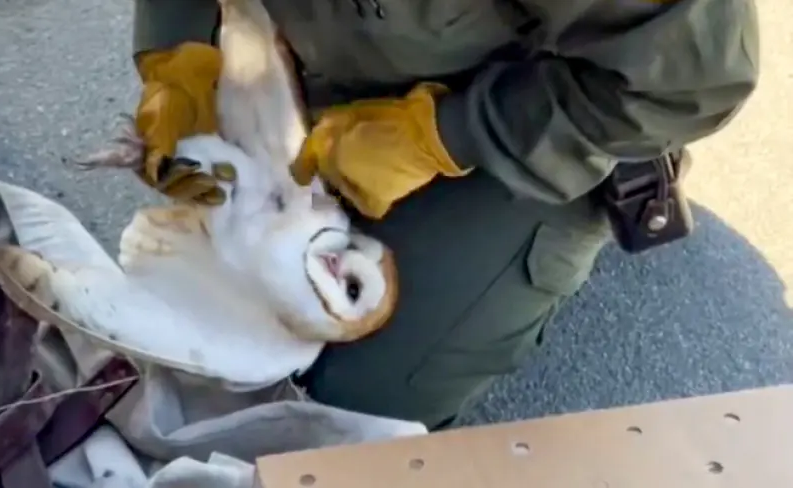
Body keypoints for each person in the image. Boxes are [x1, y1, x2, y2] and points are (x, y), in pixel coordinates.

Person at [130, 0, 759, 430]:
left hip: (536, 96)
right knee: (213, 314)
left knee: (359, 403)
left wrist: (440, 137)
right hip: (323, 43)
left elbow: (690, 84)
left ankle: (581, 185)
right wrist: (177, 55)